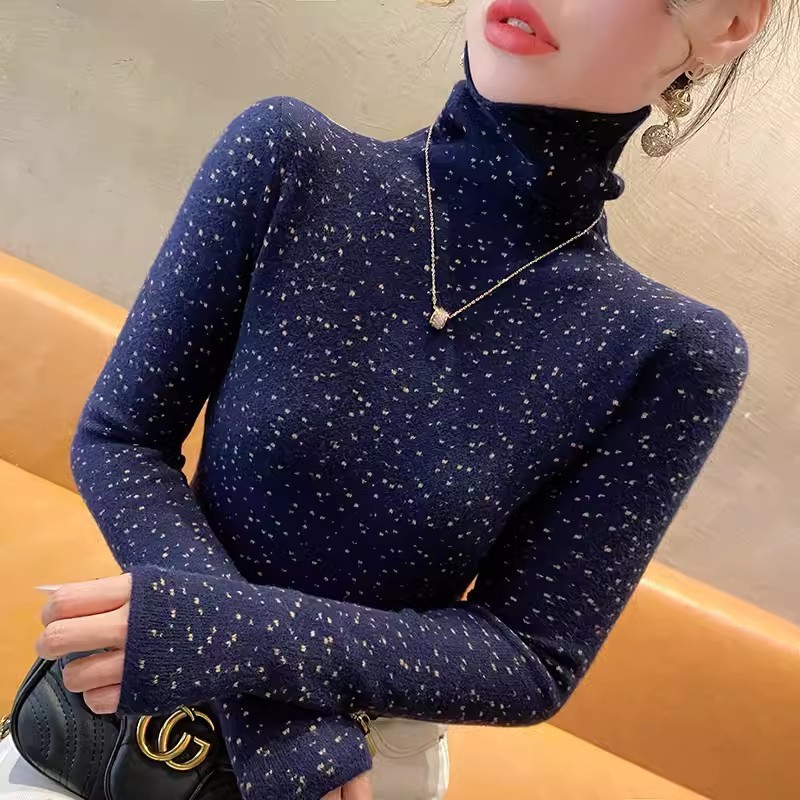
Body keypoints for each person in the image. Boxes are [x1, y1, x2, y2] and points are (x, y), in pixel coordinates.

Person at [0, 0, 781, 798]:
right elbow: (121, 438)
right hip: (129, 730)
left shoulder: (670, 351)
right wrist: (274, 714)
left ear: (728, 22)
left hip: (369, 766)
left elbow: (530, 655)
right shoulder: (290, 159)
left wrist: (239, 642)